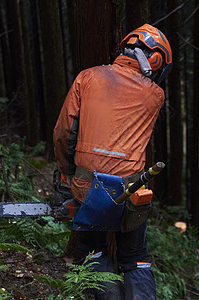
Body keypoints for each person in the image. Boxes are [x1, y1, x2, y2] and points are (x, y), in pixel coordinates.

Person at [53, 24, 172, 300]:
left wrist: (65, 175)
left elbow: (64, 132)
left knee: (95, 253)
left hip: (87, 184)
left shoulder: (87, 77)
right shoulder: (155, 96)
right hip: (130, 188)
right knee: (136, 257)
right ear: (155, 59)